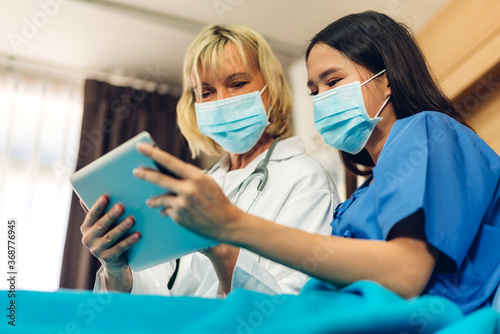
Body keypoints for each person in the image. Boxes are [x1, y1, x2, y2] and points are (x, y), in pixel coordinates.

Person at [131, 11, 500, 314]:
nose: (321, 99)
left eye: (332, 81)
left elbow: (406, 273)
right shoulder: (364, 194)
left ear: (386, 80)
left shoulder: (427, 131)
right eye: (313, 90)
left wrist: (231, 226)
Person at [81, 24, 338, 297]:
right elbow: (155, 297)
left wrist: (219, 243)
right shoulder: (195, 186)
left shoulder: (305, 179)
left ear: (271, 89)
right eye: (206, 92)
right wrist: (118, 271)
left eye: (237, 84)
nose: (221, 101)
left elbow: (291, 308)